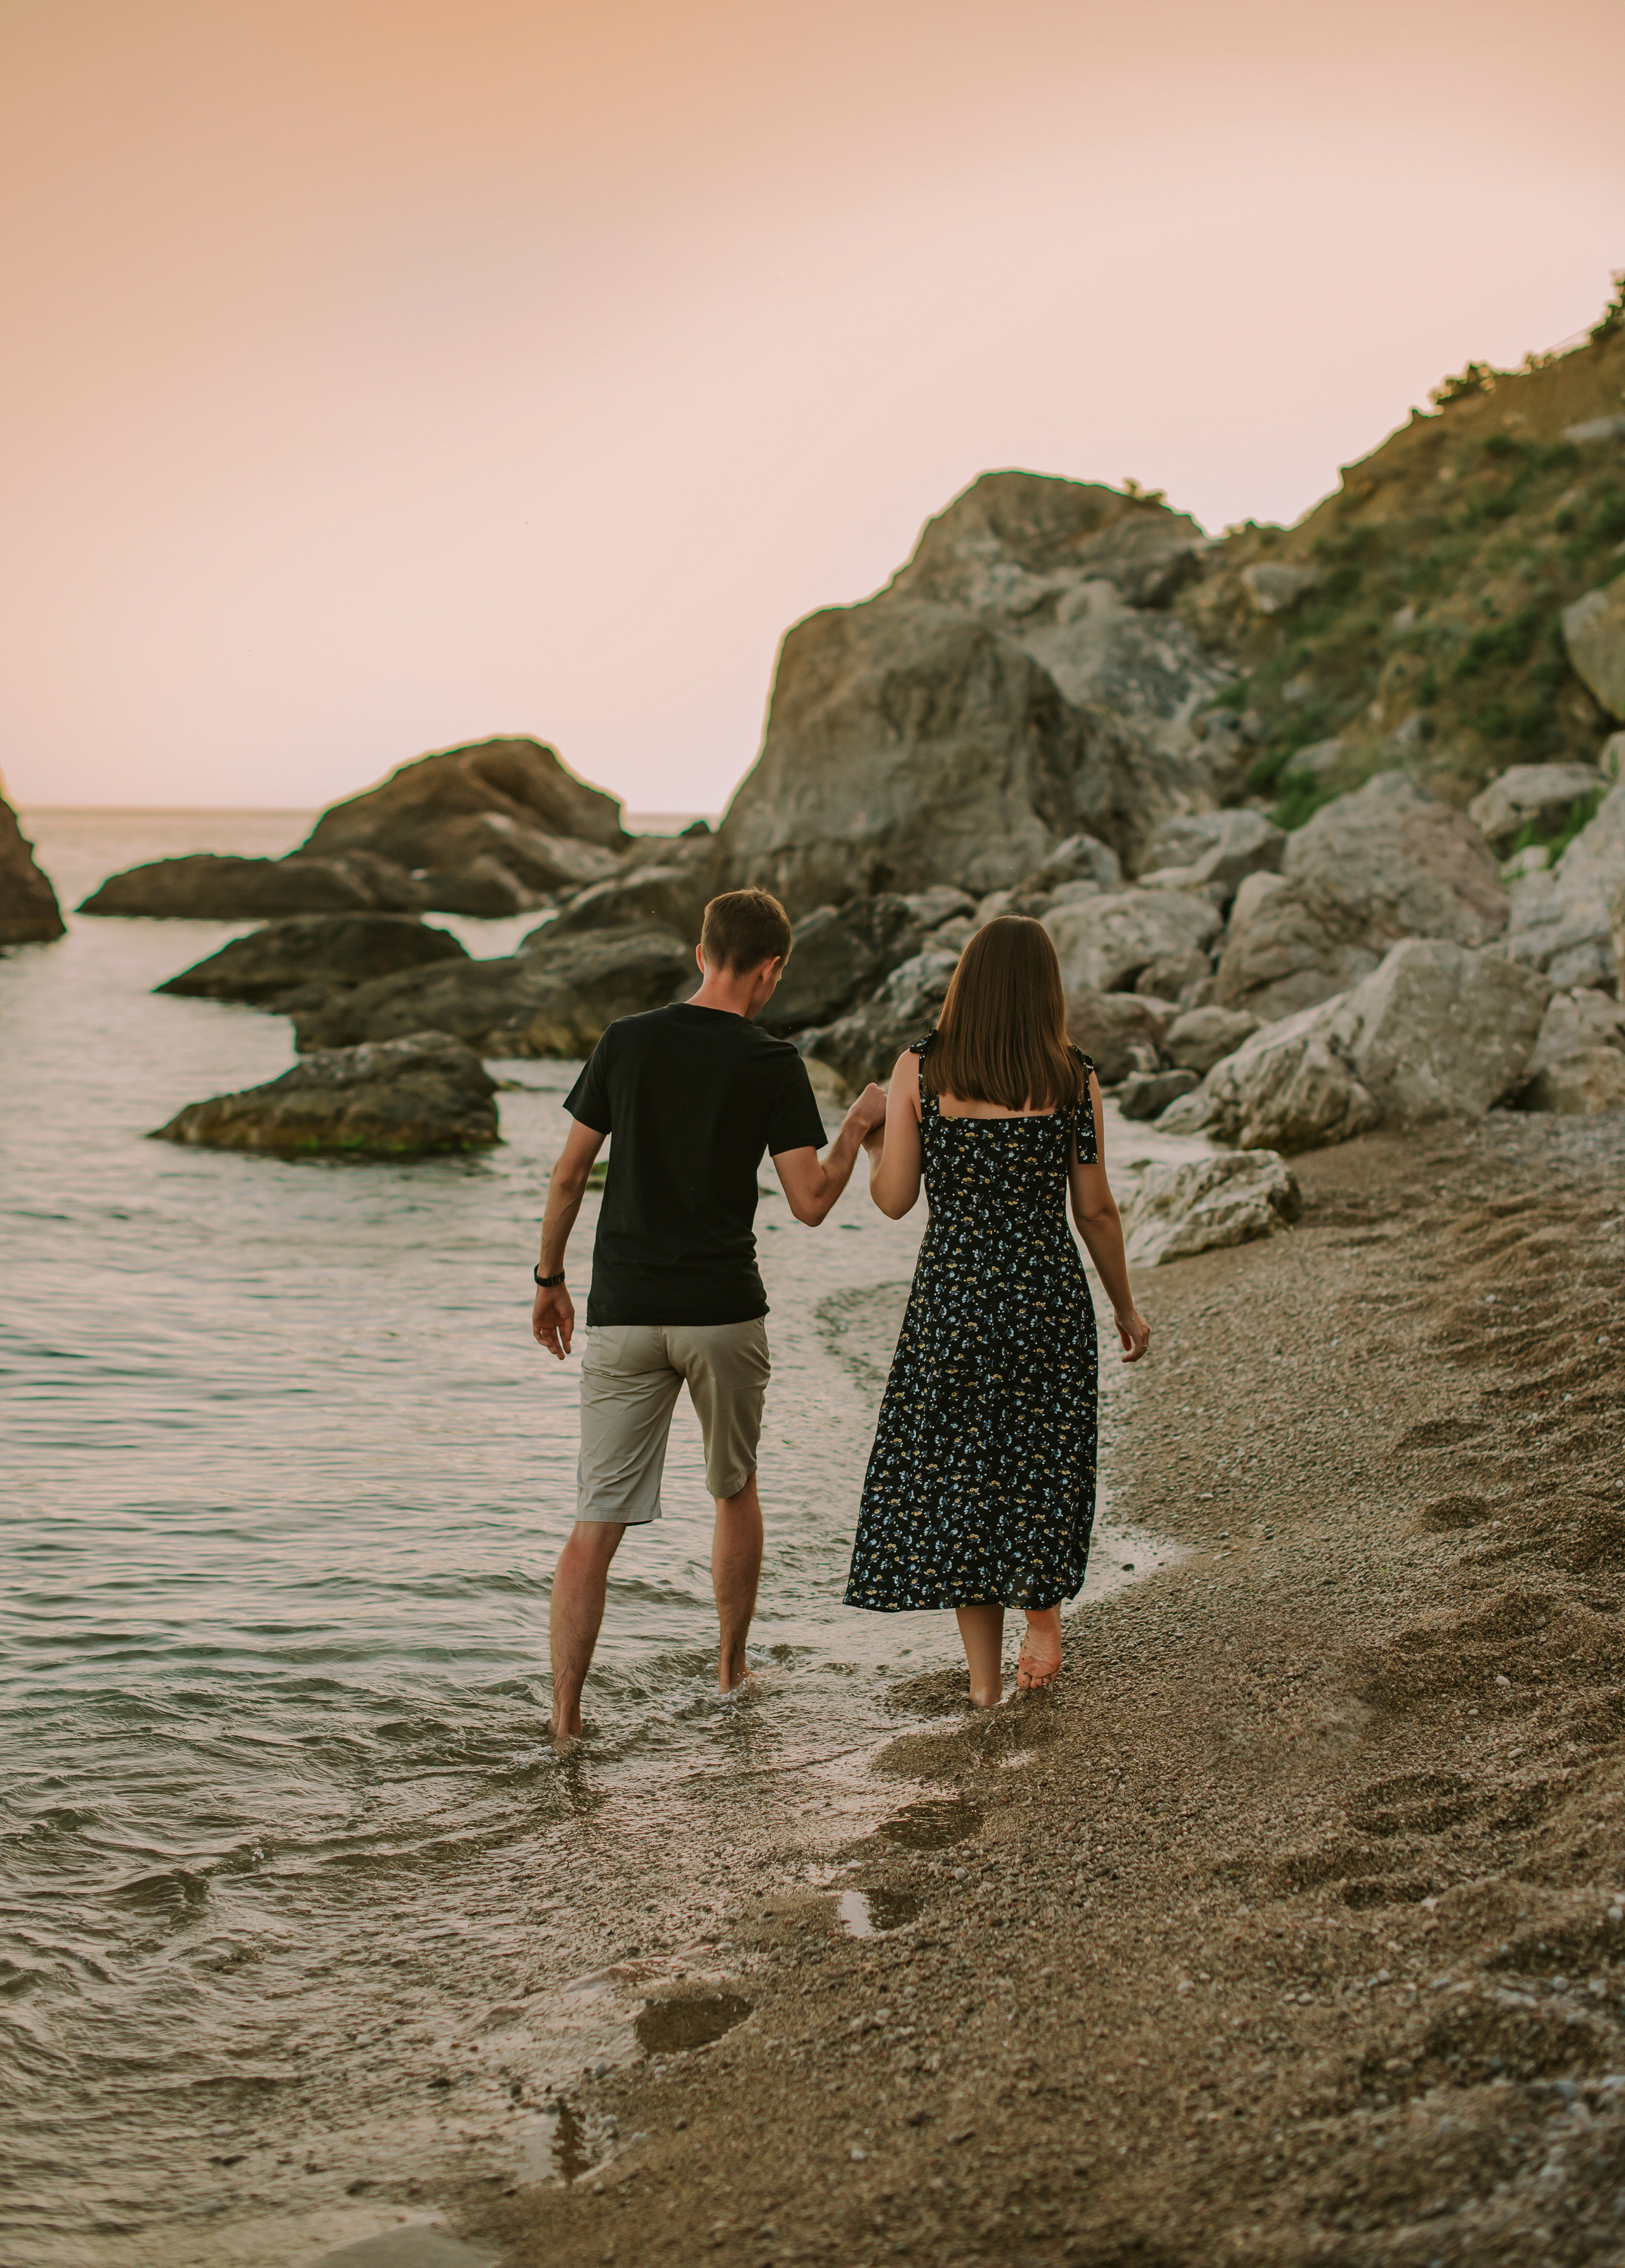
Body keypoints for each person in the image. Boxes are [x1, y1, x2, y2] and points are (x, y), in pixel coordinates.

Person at [531, 887, 887, 1741]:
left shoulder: (626, 1042)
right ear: (769, 970)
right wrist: (858, 1126)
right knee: (734, 1489)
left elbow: (570, 1174)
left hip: (624, 1313)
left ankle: (566, 1721)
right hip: (723, 1314)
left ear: (701, 953)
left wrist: (549, 1278)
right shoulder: (771, 1061)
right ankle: (730, 1671)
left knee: (595, 1522)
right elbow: (810, 1201)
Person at [846, 915, 1151, 1706]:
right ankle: (1041, 1620)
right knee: (1041, 1465)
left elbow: (893, 1200)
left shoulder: (921, 1069)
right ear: (1043, 989)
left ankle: (984, 1690)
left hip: (952, 1303)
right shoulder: (1070, 1077)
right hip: (1044, 1298)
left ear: (967, 982)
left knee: (959, 1484)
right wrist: (1125, 1307)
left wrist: (877, 1141)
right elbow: (1096, 1212)